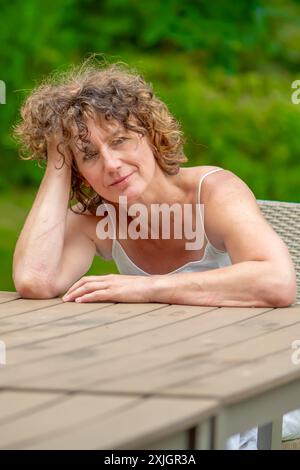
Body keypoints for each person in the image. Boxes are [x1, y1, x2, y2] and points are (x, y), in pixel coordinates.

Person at [12, 60, 298, 449]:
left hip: (256, 382)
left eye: (119, 140)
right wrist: (58, 164)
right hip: (170, 379)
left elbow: (277, 281)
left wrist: (144, 289)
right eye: (89, 156)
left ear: (150, 135)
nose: (111, 164)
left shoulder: (212, 193)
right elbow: (35, 280)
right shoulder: (95, 219)